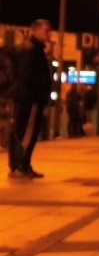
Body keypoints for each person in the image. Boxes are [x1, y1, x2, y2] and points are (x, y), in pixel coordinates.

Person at [8, 19, 53, 179]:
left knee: (25, 131)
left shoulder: (35, 49)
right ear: (35, 30)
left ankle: (21, 165)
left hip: (29, 96)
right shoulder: (31, 49)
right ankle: (21, 166)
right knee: (27, 132)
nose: (50, 34)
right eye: (47, 30)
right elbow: (27, 74)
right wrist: (43, 86)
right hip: (30, 98)